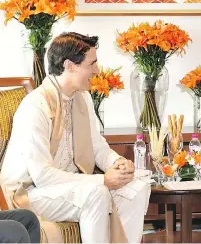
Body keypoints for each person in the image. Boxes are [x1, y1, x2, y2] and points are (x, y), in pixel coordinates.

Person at [0, 32, 151, 243]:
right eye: (92, 64)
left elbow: (98, 147)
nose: (96, 70)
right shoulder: (35, 107)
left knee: (136, 188)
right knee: (96, 193)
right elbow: (42, 176)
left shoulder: (83, 98)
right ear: (69, 65)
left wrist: (117, 163)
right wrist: (103, 179)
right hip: (29, 193)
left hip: (72, 186)